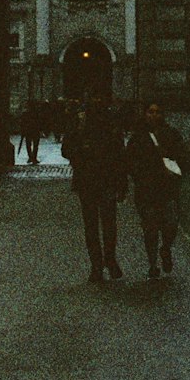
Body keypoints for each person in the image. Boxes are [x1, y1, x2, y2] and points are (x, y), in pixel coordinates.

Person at [61, 100, 128, 283]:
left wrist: (121, 182)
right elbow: (66, 149)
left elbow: (120, 154)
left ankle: (106, 260)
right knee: (97, 224)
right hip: (90, 180)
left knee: (104, 224)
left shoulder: (109, 122)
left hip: (102, 180)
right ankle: (99, 264)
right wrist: (81, 150)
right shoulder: (81, 122)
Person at [126, 101, 184, 280]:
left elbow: (181, 155)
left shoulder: (172, 134)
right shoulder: (138, 137)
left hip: (167, 188)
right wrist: (140, 174)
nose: (153, 115)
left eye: (157, 112)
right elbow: (130, 160)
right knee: (150, 229)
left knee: (171, 225)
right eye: (150, 112)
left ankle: (165, 248)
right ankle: (152, 264)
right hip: (146, 189)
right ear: (145, 114)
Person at [18, 101, 42, 165]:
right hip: (35, 130)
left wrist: (22, 130)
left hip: (28, 131)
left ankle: (30, 157)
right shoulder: (37, 113)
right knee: (35, 145)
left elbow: (22, 123)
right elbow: (40, 122)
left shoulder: (25, 113)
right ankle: (34, 157)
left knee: (28, 145)